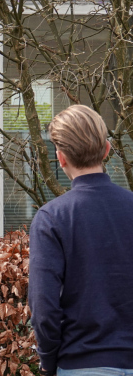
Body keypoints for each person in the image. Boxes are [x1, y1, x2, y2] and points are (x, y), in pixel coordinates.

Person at [28, 105, 133, 376]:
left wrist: (48, 360)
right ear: (107, 150)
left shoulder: (52, 217)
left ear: (60, 158)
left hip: (82, 363)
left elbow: (44, 307)